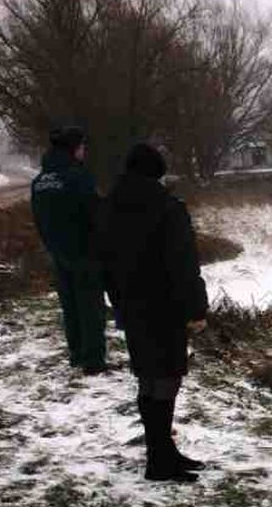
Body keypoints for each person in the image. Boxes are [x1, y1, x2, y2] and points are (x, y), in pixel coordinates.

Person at [97, 143, 209, 483]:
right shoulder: (167, 207)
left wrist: (118, 301)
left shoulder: (107, 207)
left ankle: (161, 452)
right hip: (166, 306)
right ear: (157, 172)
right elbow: (183, 264)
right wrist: (196, 308)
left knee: (148, 378)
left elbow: (104, 262)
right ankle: (159, 461)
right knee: (168, 379)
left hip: (132, 306)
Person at [31, 126, 107, 373]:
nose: (84, 152)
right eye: (82, 147)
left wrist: (51, 246)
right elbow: (94, 213)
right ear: (74, 149)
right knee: (90, 307)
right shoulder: (77, 176)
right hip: (84, 251)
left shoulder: (40, 181)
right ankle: (93, 361)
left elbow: (39, 218)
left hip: (57, 252)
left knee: (70, 305)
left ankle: (76, 354)